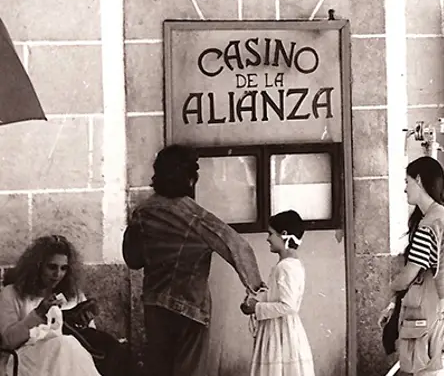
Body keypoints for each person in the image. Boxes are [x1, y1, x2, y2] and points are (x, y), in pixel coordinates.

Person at [122, 144, 266, 376]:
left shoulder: (143, 212)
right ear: (190, 179)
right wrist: (257, 289)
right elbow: (236, 245)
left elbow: (133, 259)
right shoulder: (195, 215)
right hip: (190, 306)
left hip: (155, 305)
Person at [378, 156, 444, 376]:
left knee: (428, 369)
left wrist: (391, 288)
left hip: (429, 313)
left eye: (407, 182)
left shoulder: (428, 225)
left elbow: (410, 273)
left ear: (419, 180)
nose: (405, 189)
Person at [0, 235, 102, 376]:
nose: (57, 274)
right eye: (52, 267)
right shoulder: (12, 293)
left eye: (63, 268)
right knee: (64, 344)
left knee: (67, 346)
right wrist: (38, 314)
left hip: (68, 357)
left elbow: (90, 341)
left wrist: (83, 325)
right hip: (23, 360)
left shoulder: (73, 295)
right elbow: (8, 342)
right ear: (38, 266)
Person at [241, 210, 315, 376]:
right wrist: (260, 297)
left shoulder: (286, 267)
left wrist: (256, 307)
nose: (267, 239)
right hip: (278, 329)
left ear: (284, 234)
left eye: (271, 233)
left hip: (281, 333)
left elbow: (288, 306)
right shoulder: (289, 264)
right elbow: (280, 297)